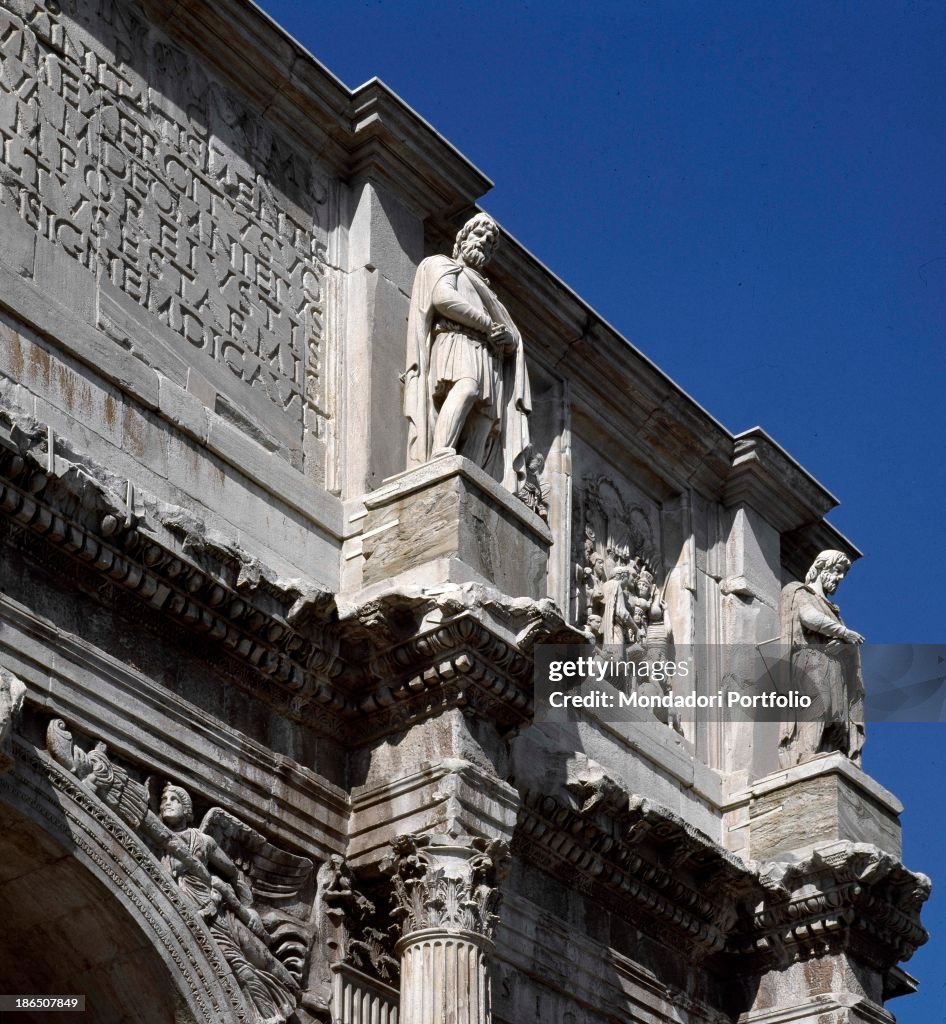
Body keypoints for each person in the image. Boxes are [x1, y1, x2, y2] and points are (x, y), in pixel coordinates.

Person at [403, 213, 532, 492]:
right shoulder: (443, 265)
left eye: (489, 243)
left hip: (488, 355)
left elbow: (511, 339)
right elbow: (443, 298)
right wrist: (488, 325)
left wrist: (506, 338)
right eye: (478, 236)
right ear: (462, 239)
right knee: (467, 388)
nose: (484, 243)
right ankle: (441, 451)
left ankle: (471, 476)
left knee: (485, 418)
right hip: (456, 340)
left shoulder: (490, 294)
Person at [159, 784, 299, 1024]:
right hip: (180, 905)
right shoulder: (158, 837)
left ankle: (270, 1014)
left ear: (188, 810)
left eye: (175, 799)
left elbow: (233, 873)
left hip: (211, 910)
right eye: (163, 799)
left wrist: (245, 907)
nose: (167, 803)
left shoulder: (202, 840)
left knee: (239, 965)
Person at [778, 550, 865, 768]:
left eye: (843, 574)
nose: (840, 578)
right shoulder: (799, 591)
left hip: (833, 667)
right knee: (818, 703)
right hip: (811, 661)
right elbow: (809, 617)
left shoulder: (834, 611)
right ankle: (807, 753)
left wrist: (844, 646)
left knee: (836, 717)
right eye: (837, 571)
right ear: (820, 567)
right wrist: (844, 633)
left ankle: (826, 751)